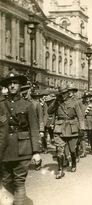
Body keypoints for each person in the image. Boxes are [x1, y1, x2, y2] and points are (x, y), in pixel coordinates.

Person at [0, 72, 41, 205]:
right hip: (4, 149)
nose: (12, 86)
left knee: (19, 181)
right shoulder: (1, 105)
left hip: (23, 149)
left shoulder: (28, 105)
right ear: (6, 86)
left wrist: (36, 152)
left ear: (20, 85)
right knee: (6, 181)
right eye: (10, 83)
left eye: (15, 83)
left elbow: (34, 128)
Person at [48, 86, 85, 179]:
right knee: (60, 150)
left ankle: (73, 163)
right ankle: (60, 170)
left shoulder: (75, 103)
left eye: (64, 93)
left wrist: (82, 129)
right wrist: (55, 101)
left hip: (72, 128)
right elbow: (49, 111)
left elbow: (80, 117)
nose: (63, 95)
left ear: (68, 93)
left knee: (72, 150)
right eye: (61, 94)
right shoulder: (57, 103)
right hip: (59, 128)